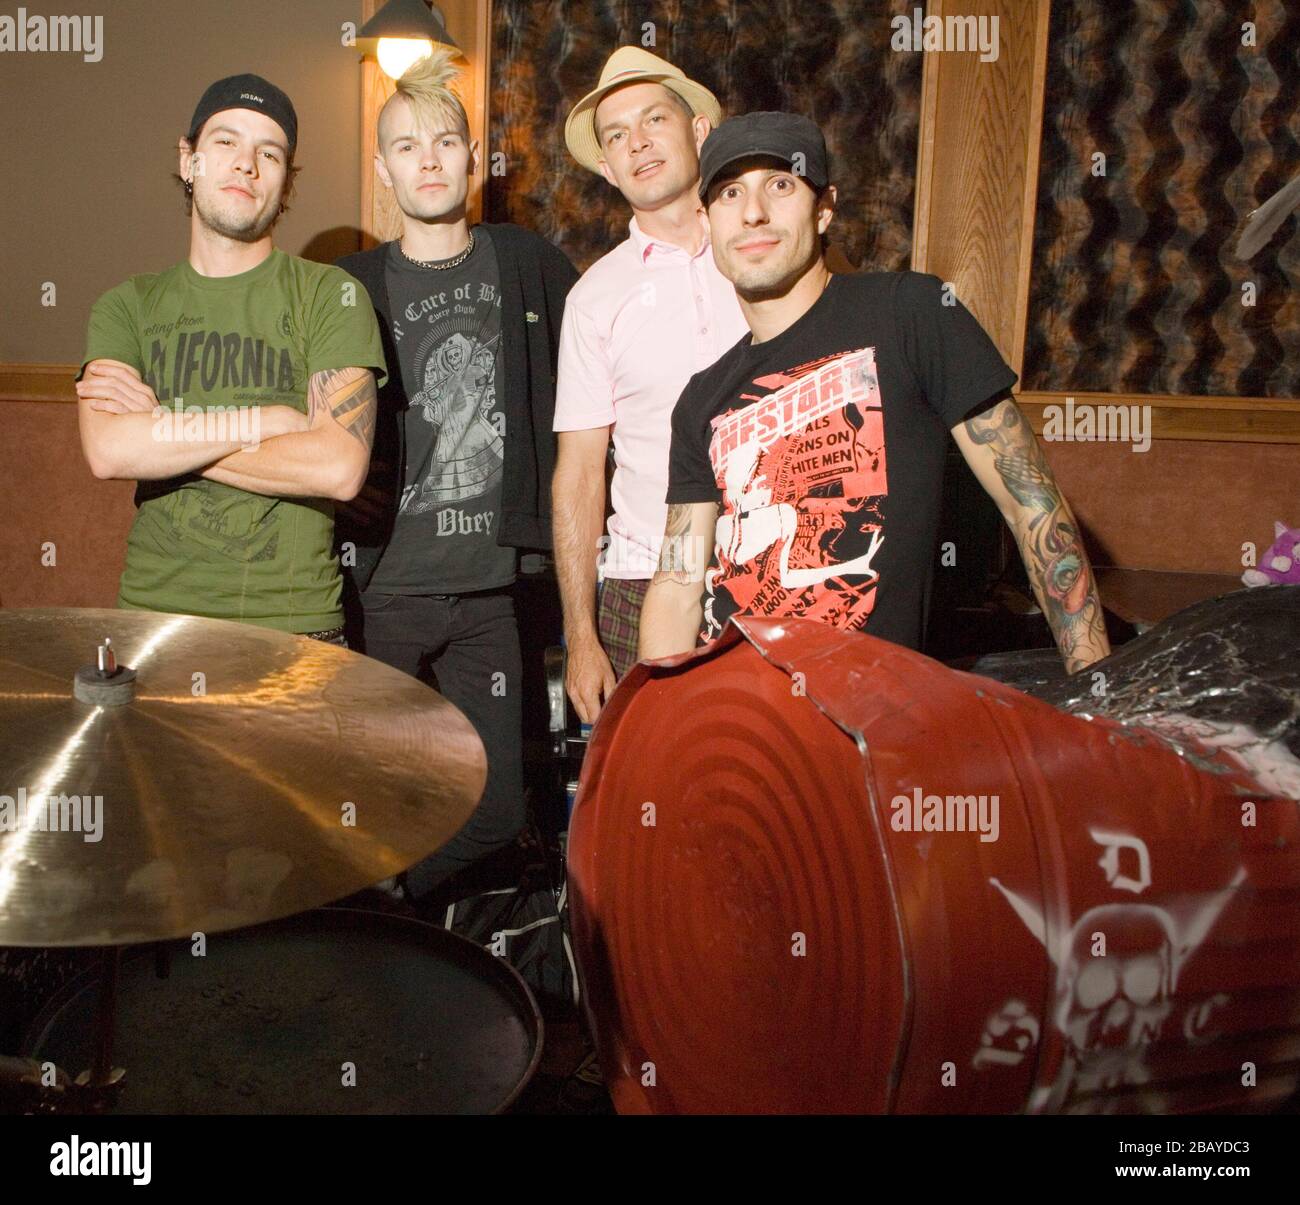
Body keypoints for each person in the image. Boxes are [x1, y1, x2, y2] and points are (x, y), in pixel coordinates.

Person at [641, 112, 1111, 672]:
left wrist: (1096, 692)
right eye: (730, 193)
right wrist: (652, 729)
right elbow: (677, 578)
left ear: (825, 208)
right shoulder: (702, 398)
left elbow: (1031, 505)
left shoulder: (910, 312)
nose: (753, 212)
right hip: (741, 712)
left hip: (871, 709)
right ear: (707, 220)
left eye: (781, 184)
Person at [333, 51, 578, 902]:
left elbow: (603, 355)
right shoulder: (349, 288)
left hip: (488, 594)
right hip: (384, 593)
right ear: (382, 169)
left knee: (497, 806)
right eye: (406, 146)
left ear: (476, 160)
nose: (429, 158)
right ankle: (380, 954)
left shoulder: (525, 263)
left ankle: (396, 915)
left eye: (446, 141)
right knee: (376, 800)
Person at [76, 74, 386, 644]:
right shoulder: (127, 306)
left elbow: (337, 469)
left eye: (268, 153)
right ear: (188, 159)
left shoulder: (331, 295)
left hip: (295, 633)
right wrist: (268, 422)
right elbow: (108, 449)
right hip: (153, 622)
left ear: (286, 184)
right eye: (225, 142)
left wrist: (161, 431)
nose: (246, 164)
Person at [552, 47, 749, 722]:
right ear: (607, 168)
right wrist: (580, 635)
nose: (636, 142)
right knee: (654, 797)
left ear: (698, 131)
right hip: (639, 581)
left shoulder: (766, 250)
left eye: (653, 119)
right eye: (615, 135)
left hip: (775, 570)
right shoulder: (594, 298)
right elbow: (579, 473)